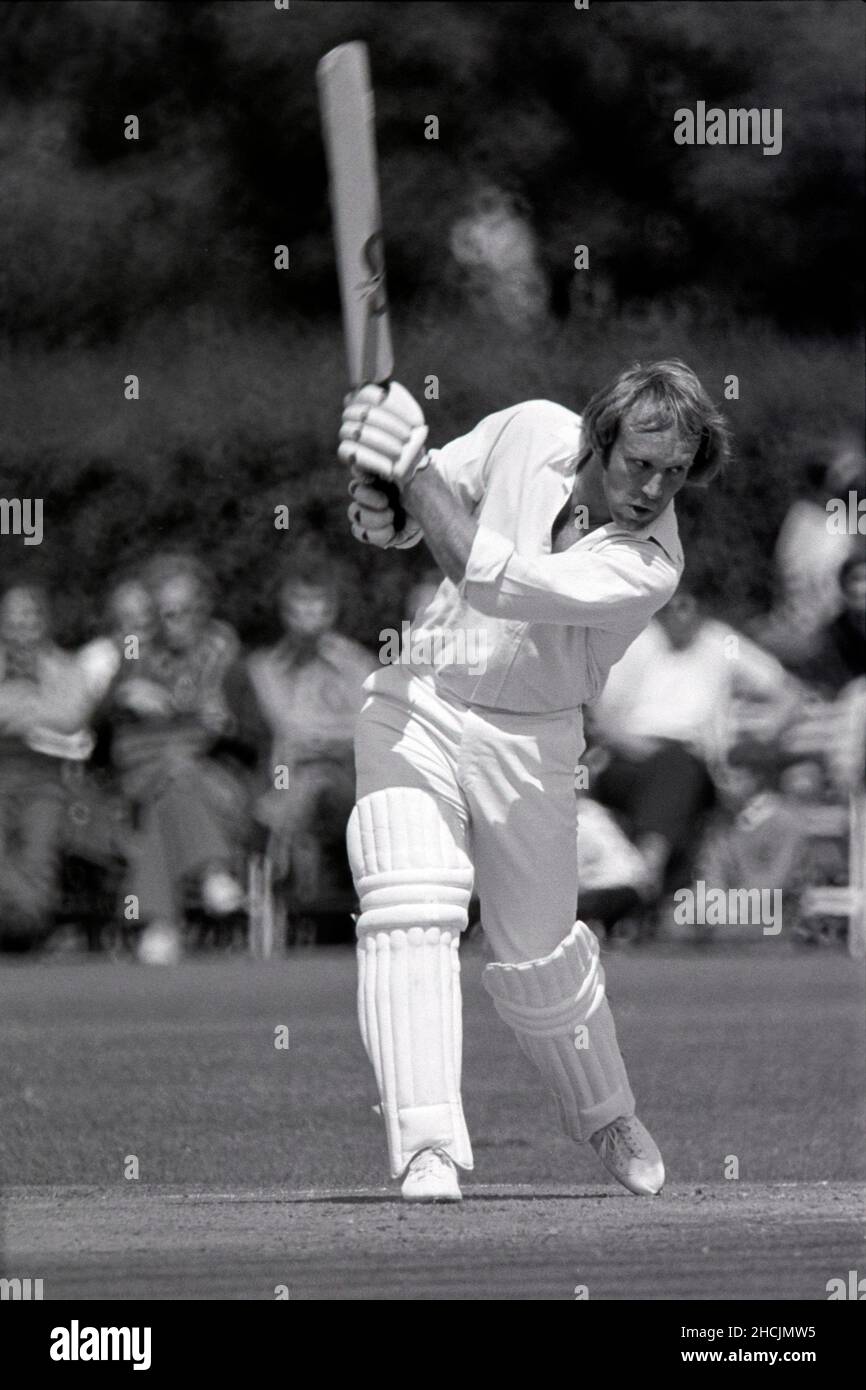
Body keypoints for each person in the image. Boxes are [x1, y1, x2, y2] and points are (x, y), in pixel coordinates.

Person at [339, 359, 730, 1201]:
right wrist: (385, 506)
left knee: (540, 960)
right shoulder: (529, 428)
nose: (655, 488)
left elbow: (493, 578)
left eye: (674, 474)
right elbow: (432, 505)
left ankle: (605, 1112)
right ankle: (427, 1147)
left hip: (534, 743)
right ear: (601, 436)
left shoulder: (650, 564)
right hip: (420, 700)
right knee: (410, 902)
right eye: (641, 464)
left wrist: (405, 471)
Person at [246, 550, 376, 937]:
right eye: (297, 606)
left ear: (333, 609)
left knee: (314, 781)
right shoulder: (264, 667)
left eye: (316, 605)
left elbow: (368, 726)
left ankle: (281, 890)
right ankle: (294, 893)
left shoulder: (356, 662)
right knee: (301, 781)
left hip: (350, 782)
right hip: (286, 778)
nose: (307, 617)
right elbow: (286, 727)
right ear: (283, 611)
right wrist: (332, 734)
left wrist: (321, 737)